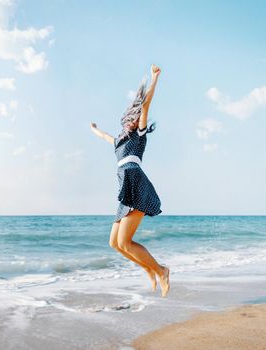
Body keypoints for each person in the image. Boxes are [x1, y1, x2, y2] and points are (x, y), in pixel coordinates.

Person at [90, 64, 170, 297]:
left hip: (137, 184)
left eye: (138, 118)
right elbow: (105, 136)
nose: (135, 120)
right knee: (114, 244)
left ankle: (161, 271)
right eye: (133, 117)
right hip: (125, 189)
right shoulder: (118, 142)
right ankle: (149, 269)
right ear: (126, 119)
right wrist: (93, 129)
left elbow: (146, 104)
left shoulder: (140, 136)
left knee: (125, 242)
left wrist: (154, 78)